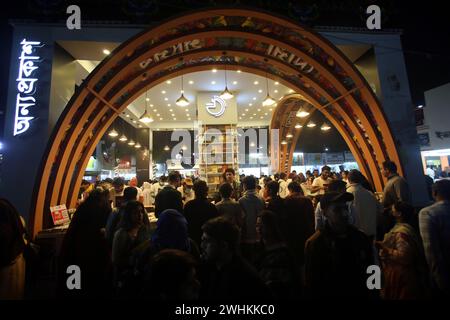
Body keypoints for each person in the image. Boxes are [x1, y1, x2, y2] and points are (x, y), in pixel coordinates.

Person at [304, 191, 374, 298]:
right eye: (337, 210)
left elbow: (373, 269)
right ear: (325, 213)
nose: (345, 213)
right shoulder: (316, 244)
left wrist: (375, 293)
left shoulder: (360, 238)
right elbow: (313, 283)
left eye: (345, 208)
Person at [58, 188, 113, 298]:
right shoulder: (104, 206)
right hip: (97, 248)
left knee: (78, 278)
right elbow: (108, 225)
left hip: (77, 247)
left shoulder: (83, 207)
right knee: (95, 279)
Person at [198, 217, 271, 300]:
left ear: (224, 245)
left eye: (207, 241)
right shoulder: (206, 268)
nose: (202, 245)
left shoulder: (246, 280)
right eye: (202, 240)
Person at [375, 201, 430, 299]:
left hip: (402, 277)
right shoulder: (406, 228)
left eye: (393, 210)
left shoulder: (401, 233)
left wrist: (385, 249)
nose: (390, 212)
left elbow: (404, 256)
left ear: (399, 214)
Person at [256, 210, 301, 300]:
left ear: (271, 227)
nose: (259, 229)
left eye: (262, 225)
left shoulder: (281, 253)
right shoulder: (260, 247)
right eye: (257, 225)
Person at [112, 200, 151, 296]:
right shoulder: (121, 234)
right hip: (126, 277)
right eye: (135, 212)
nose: (140, 215)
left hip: (142, 276)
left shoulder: (144, 230)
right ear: (128, 215)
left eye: (141, 212)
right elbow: (116, 260)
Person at [419, 179, 450, 298]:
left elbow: (431, 250)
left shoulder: (428, 213)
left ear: (434, 193)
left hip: (445, 271)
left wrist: (438, 280)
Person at [283, 182, 315, 267]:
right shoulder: (307, 200)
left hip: (291, 233)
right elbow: (311, 218)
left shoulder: (287, 200)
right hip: (305, 231)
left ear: (290, 189)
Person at [0, 199, 26, 300]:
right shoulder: (5, 205)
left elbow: (4, 236)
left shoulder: (2, 208)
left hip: (7, 266)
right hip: (16, 260)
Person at [347, 169, 381, 240]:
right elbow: (379, 210)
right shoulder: (370, 193)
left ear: (348, 180)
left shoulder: (346, 195)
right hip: (371, 233)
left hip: (355, 236)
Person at [380, 160, 411, 240]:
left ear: (387, 170)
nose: (381, 171)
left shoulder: (398, 181)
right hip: (391, 215)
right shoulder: (391, 181)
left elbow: (402, 201)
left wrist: (391, 210)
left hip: (395, 217)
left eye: (381, 169)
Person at [184, 180, 219, 248]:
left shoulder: (188, 206)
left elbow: (185, 223)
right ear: (206, 191)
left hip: (192, 238)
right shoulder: (211, 206)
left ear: (194, 191)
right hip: (207, 240)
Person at [238, 176, 265, 265]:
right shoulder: (261, 199)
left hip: (246, 234)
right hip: (259, 233)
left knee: (247, 260)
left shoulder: (241, 200)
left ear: (244, 186)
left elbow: (241, 218)